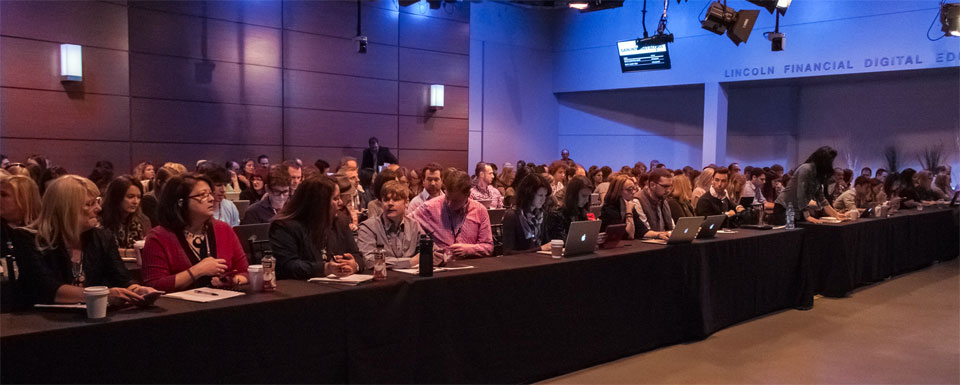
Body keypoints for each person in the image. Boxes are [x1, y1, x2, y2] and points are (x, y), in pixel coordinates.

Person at [15, 176, 157, 307]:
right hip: (40, 323)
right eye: (90, 204)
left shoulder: (102, 238)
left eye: (97, 201)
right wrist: (104, 295)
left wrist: (137, 290)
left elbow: (121, 279)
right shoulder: (29, 239)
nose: (98, 208)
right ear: (66, 208)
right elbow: (47, 288)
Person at [140, 174, 249, 292]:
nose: (212, 199)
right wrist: (197, 271)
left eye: (210, 193)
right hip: (181, 308)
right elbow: (154, 284)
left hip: (224, 304)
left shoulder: (223, 229)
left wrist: (231, 281)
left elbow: (244, 271)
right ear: (181, 202)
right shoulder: (159, 237)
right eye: (203, 195)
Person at [269, 175, 361, 279]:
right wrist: (325, 268)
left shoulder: (340, 221)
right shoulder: (284, 227)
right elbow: (288, 266)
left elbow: (357, 255)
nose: (340, 203)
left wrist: (354, 265)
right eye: (335, 198)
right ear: (318, 203)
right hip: (301, 289)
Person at [411, 170, 493, 261]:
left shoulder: (480, 211)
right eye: (447, 197)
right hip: (440, 268)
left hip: (470, 266)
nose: (449, 203)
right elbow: (407, 223)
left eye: (455, 201)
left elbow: (488, 247)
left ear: (468, 195)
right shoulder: (430, 207)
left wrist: (469, 250)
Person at [357, 180, 439, 269]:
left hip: (411, 279)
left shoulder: (414, 225)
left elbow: (430, 249)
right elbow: (369, 261)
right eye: (386, 200)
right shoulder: (368, 227)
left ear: (406, 202)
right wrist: (410, 262)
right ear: (381, 203)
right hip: (383, 280)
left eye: (396, 200)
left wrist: (437, 256)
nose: (390, 204)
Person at [773, 146, 846, 224]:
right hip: (784, 208)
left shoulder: (818, 173)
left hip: (798, 210)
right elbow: (801, 193)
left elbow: (821, 198)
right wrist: (807, 215)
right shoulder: (806, 168)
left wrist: (835, 214)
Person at [502, 173, 552, 254]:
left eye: (545, 195)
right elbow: (508, 252)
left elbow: (546, 243)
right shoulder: (512, 216)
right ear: (529, 194)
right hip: (520, 264)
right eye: (540, 195)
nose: (543, 199)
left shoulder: (542, 215)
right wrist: (540, 249)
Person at [100, 176, 152, 251]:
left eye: (138, 197)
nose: (135, 201)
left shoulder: (143, 221)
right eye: (130, 197)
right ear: (116, 197)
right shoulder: (100, 221)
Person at [544, 176, 592, 242]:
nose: (586, 200)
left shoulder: (582, 212)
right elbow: (560, 240)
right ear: (573, 195)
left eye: (588, 196)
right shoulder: (556, 213)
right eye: (584, 196)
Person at [599, 174, 647, 239]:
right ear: (618, 191)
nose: (633, 192)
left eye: (634, 189)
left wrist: (659, 234)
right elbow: (629, 235)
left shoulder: (628, 203)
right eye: (629, 189)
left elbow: (642, 231)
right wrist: (629, 212)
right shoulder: (609, 209)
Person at [633, 168, 675, 239]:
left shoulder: (663, 200)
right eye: (665, 186)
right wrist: (664, 234)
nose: (668, 190)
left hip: (663, 242)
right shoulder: (638, 201)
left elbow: (672, 226)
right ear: (652, 185)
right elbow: (645, 232)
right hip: (648, 246)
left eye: (670, 186)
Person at [197, 162, 240, 227]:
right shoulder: (196, 209)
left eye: (225, 185)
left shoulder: (230, 206)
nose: (223, 190)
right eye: (218, 185)